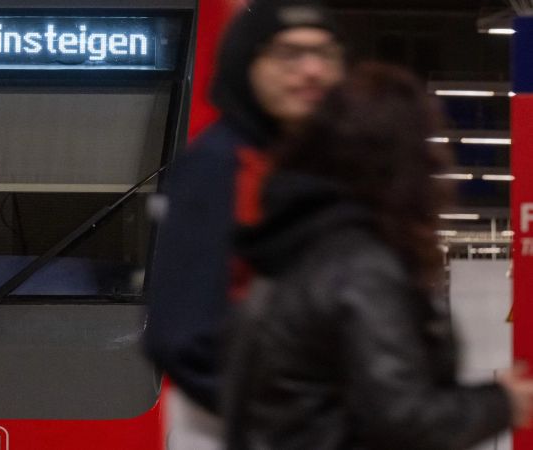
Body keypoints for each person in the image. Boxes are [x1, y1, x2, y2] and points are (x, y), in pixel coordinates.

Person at [225, 62, 533, 450]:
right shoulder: (361, 268)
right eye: (428, 142)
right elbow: (401, 417)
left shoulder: (291, 244)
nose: (439, 158)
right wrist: (500, 403)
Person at [144, 0, 346, 446]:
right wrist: (292, 419)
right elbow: (180, 335)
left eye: (325, 54)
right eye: (288, 54)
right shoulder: (219, 166)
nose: (311, 70)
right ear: (247, 63)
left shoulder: (315, 164)